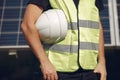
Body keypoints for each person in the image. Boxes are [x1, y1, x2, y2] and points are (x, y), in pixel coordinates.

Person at [21, 0, 107, 80]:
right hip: (55, 73)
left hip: (90, 72)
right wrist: (44, 62)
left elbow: (96, 26)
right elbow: (27, 26)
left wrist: (101, 62)